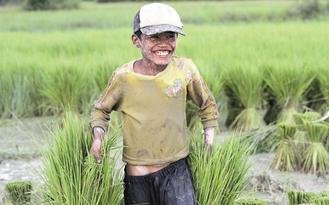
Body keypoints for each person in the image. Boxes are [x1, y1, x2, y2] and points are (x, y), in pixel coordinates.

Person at [90, 3, 219, 205]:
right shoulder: (124, 77)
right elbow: (101, 110)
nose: (164, 44)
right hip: (137, 177)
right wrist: (98, 137)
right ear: (136, 40)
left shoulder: (184, 69)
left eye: (171, 36)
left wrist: (209, 141)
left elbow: (207, 105)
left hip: (176, 172)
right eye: (154, 37)